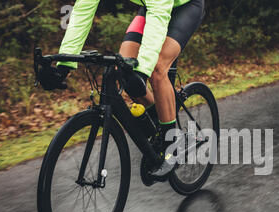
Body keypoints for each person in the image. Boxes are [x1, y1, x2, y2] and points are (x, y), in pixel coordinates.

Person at [39, 0, 205, 178]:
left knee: (157, 69)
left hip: (184, 6)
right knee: (123, 70)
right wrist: (63, 66)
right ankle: (157, 121)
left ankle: (171, 142)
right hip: (151, 8)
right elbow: (82, 11)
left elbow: (158, 16)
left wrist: (142, 72)